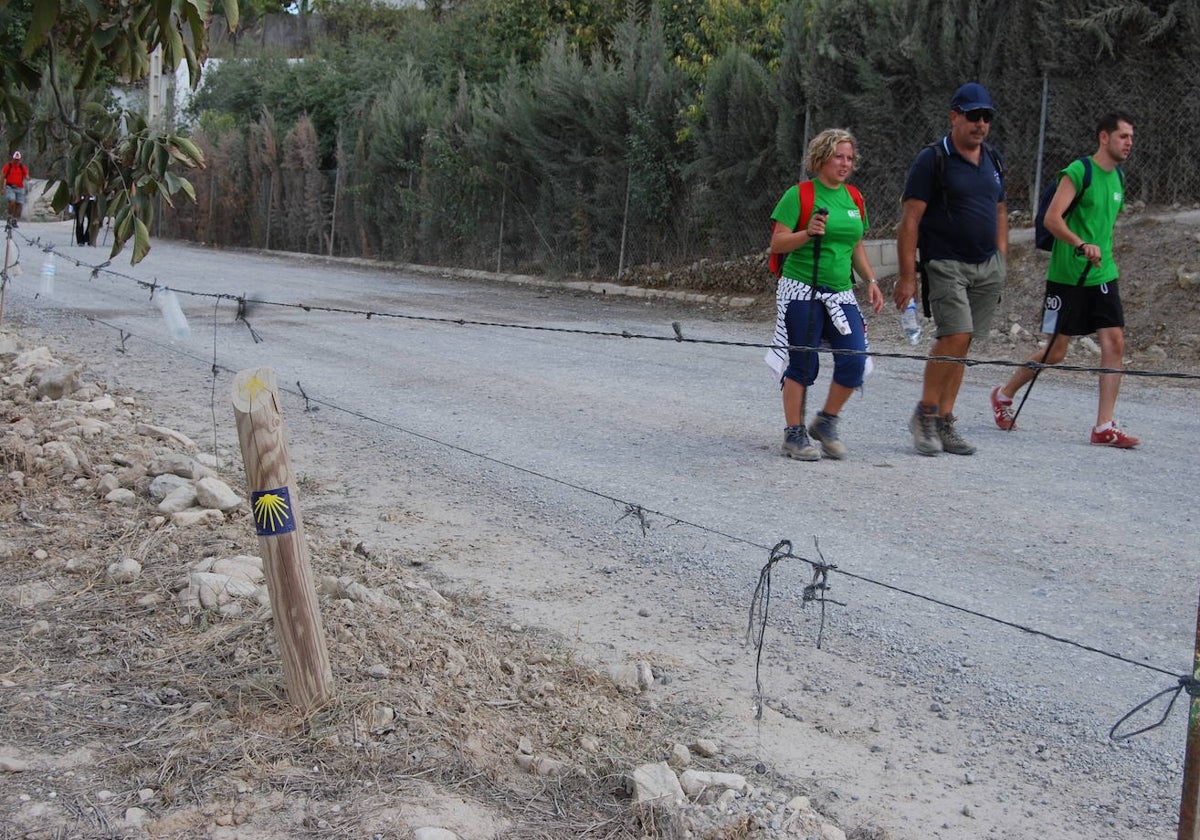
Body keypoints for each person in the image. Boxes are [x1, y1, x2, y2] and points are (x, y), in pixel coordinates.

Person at [990, 112, 1138, 448]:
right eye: (1123, 136)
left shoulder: (1118, 177)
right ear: (1104, 137)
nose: (1129, 143)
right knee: (1056, 352)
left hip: (1103, 273)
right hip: (1068, 275)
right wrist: (1079, 244)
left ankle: (1104, 426)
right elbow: (1051, 219)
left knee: (1114, 343)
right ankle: (1003, 394)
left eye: (1131, 137)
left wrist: (1099, 250)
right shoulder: (1078, 171)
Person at [894, 82, 1008, 456]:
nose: (980, 124)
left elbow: (1001, 209)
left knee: (965, 340)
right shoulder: (933, 159)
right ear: (954, 116)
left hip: (986, 266)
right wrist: (908, 276)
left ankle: (945, 421)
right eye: (973, 116)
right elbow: (910, 219)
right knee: (954, 335)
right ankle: (925, 415)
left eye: (986, 117)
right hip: (945, 262)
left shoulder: (992, 159)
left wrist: (1001, 257)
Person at [767, 128, 885, 460]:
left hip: (840, 292)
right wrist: (807, 233)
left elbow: (856, 244)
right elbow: (778, 243)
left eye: (850, 158)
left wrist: (871, 280)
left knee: (855, 359)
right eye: (839, 157)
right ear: (821, 158)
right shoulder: (800, 195)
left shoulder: (854, 198)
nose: (845, 163)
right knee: (803, 364)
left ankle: (826, 421)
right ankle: (794, 433)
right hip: (801, 288)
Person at [3, 151, 29, 227]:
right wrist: (1, 188)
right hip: (10, 187)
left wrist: (27, 176)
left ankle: (14, 220)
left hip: (20, 187)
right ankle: (9, 217)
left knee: (19, 204)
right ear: (13, 159)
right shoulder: (8, 166)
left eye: (18, 159)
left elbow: (26, 173)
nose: (16, 161)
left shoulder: (22, 166)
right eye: (15, 159)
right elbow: (3, 176)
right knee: (12, 201)